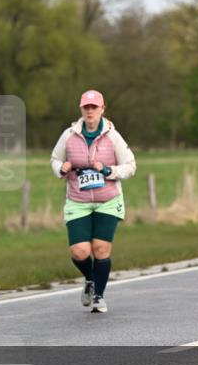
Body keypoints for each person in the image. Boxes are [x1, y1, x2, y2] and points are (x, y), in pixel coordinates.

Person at [51, 90, 137, 313]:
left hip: (107, 199)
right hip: (77, 200)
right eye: (86, 107)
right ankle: (90, 279)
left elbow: (130, 166)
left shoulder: (112, 136)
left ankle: (99, 296)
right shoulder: (69, 134)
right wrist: (61, 168)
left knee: (100, 248)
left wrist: (109, 170)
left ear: (102, 109)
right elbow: (55, 159)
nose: (90, 111)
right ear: (81, 110)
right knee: (79, 252)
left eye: (94, 107)